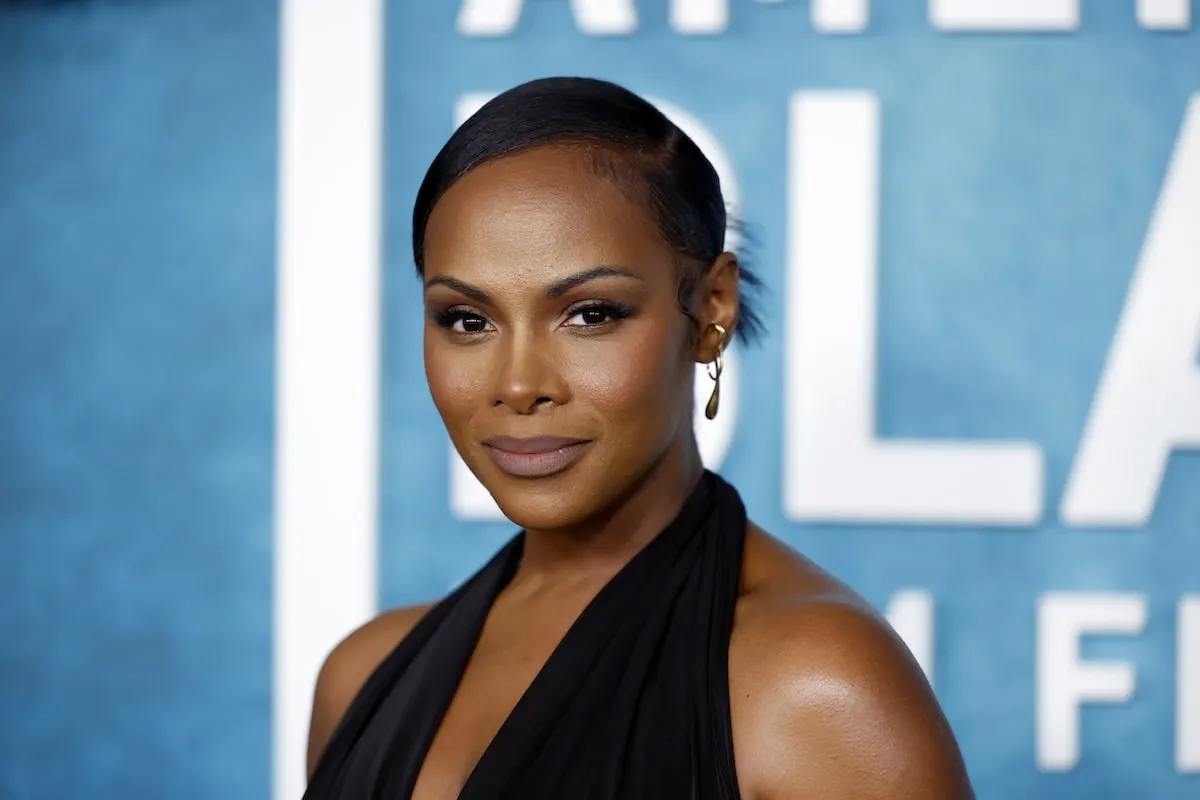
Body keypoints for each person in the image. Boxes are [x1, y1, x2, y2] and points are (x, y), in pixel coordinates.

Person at [302, 76, 973, 800]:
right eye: (468, 319)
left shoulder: (815, 688)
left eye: (591, 313)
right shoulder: (362, 675)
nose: (520, 384)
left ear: (712, 305)